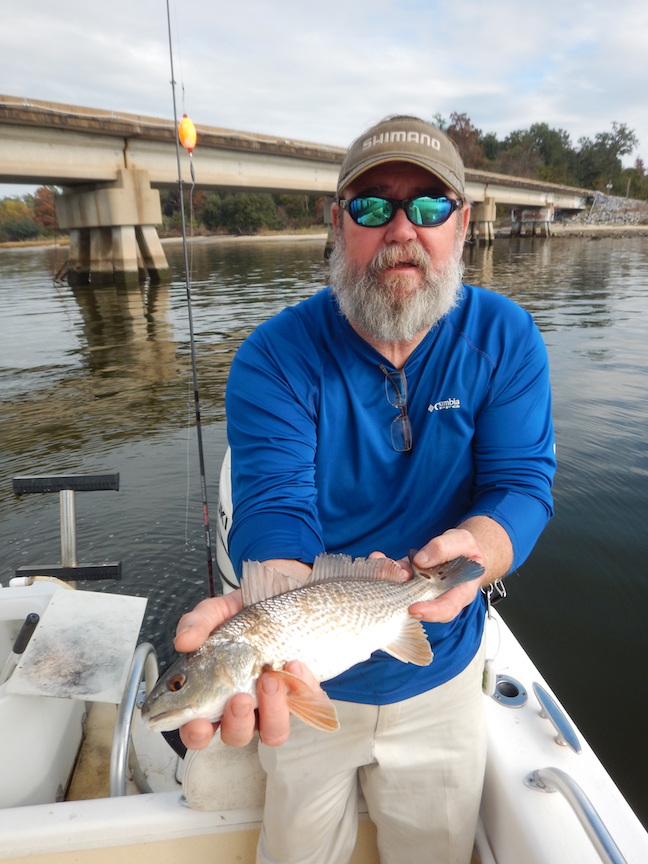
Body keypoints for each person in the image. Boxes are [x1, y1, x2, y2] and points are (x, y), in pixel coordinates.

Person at [175, 115, 555, 864]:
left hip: (440, 669)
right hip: (312, 684)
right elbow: (275, 504)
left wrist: (471, 554)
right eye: (374, 206)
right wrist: (268, 607)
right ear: (338, 222)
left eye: (430, 205)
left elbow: (522, 485)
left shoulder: (505, 337)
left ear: (464, 222)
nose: (401, 228)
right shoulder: (274, 356)